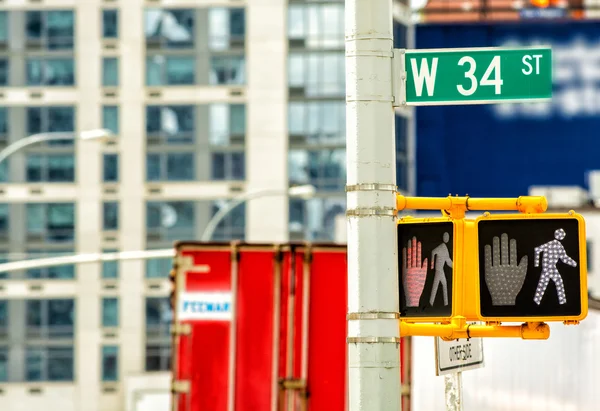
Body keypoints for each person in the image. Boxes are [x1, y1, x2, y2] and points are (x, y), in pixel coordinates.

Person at [533, 228, 577, 305]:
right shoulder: (555, 245)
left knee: (543, 285)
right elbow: (537, 249)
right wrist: (536, 263)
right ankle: (562, 303)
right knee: (555, 283)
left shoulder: (555, 245)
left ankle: (536, 302)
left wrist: (573, 263)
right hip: (549, 268)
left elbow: (564, 258)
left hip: (549, 268)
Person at [430, 232, 453, 306]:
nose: (446, 238)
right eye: (445, 236)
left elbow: (448, 261)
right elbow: (433, 252)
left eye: (447, 237)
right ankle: (433, 302)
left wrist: (456, 267)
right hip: (439, 269)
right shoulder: (441, 246)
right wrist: (432, 265)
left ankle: (432, 302)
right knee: (439, 285)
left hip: (440, 269)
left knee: (440, 284)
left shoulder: (445, 248)